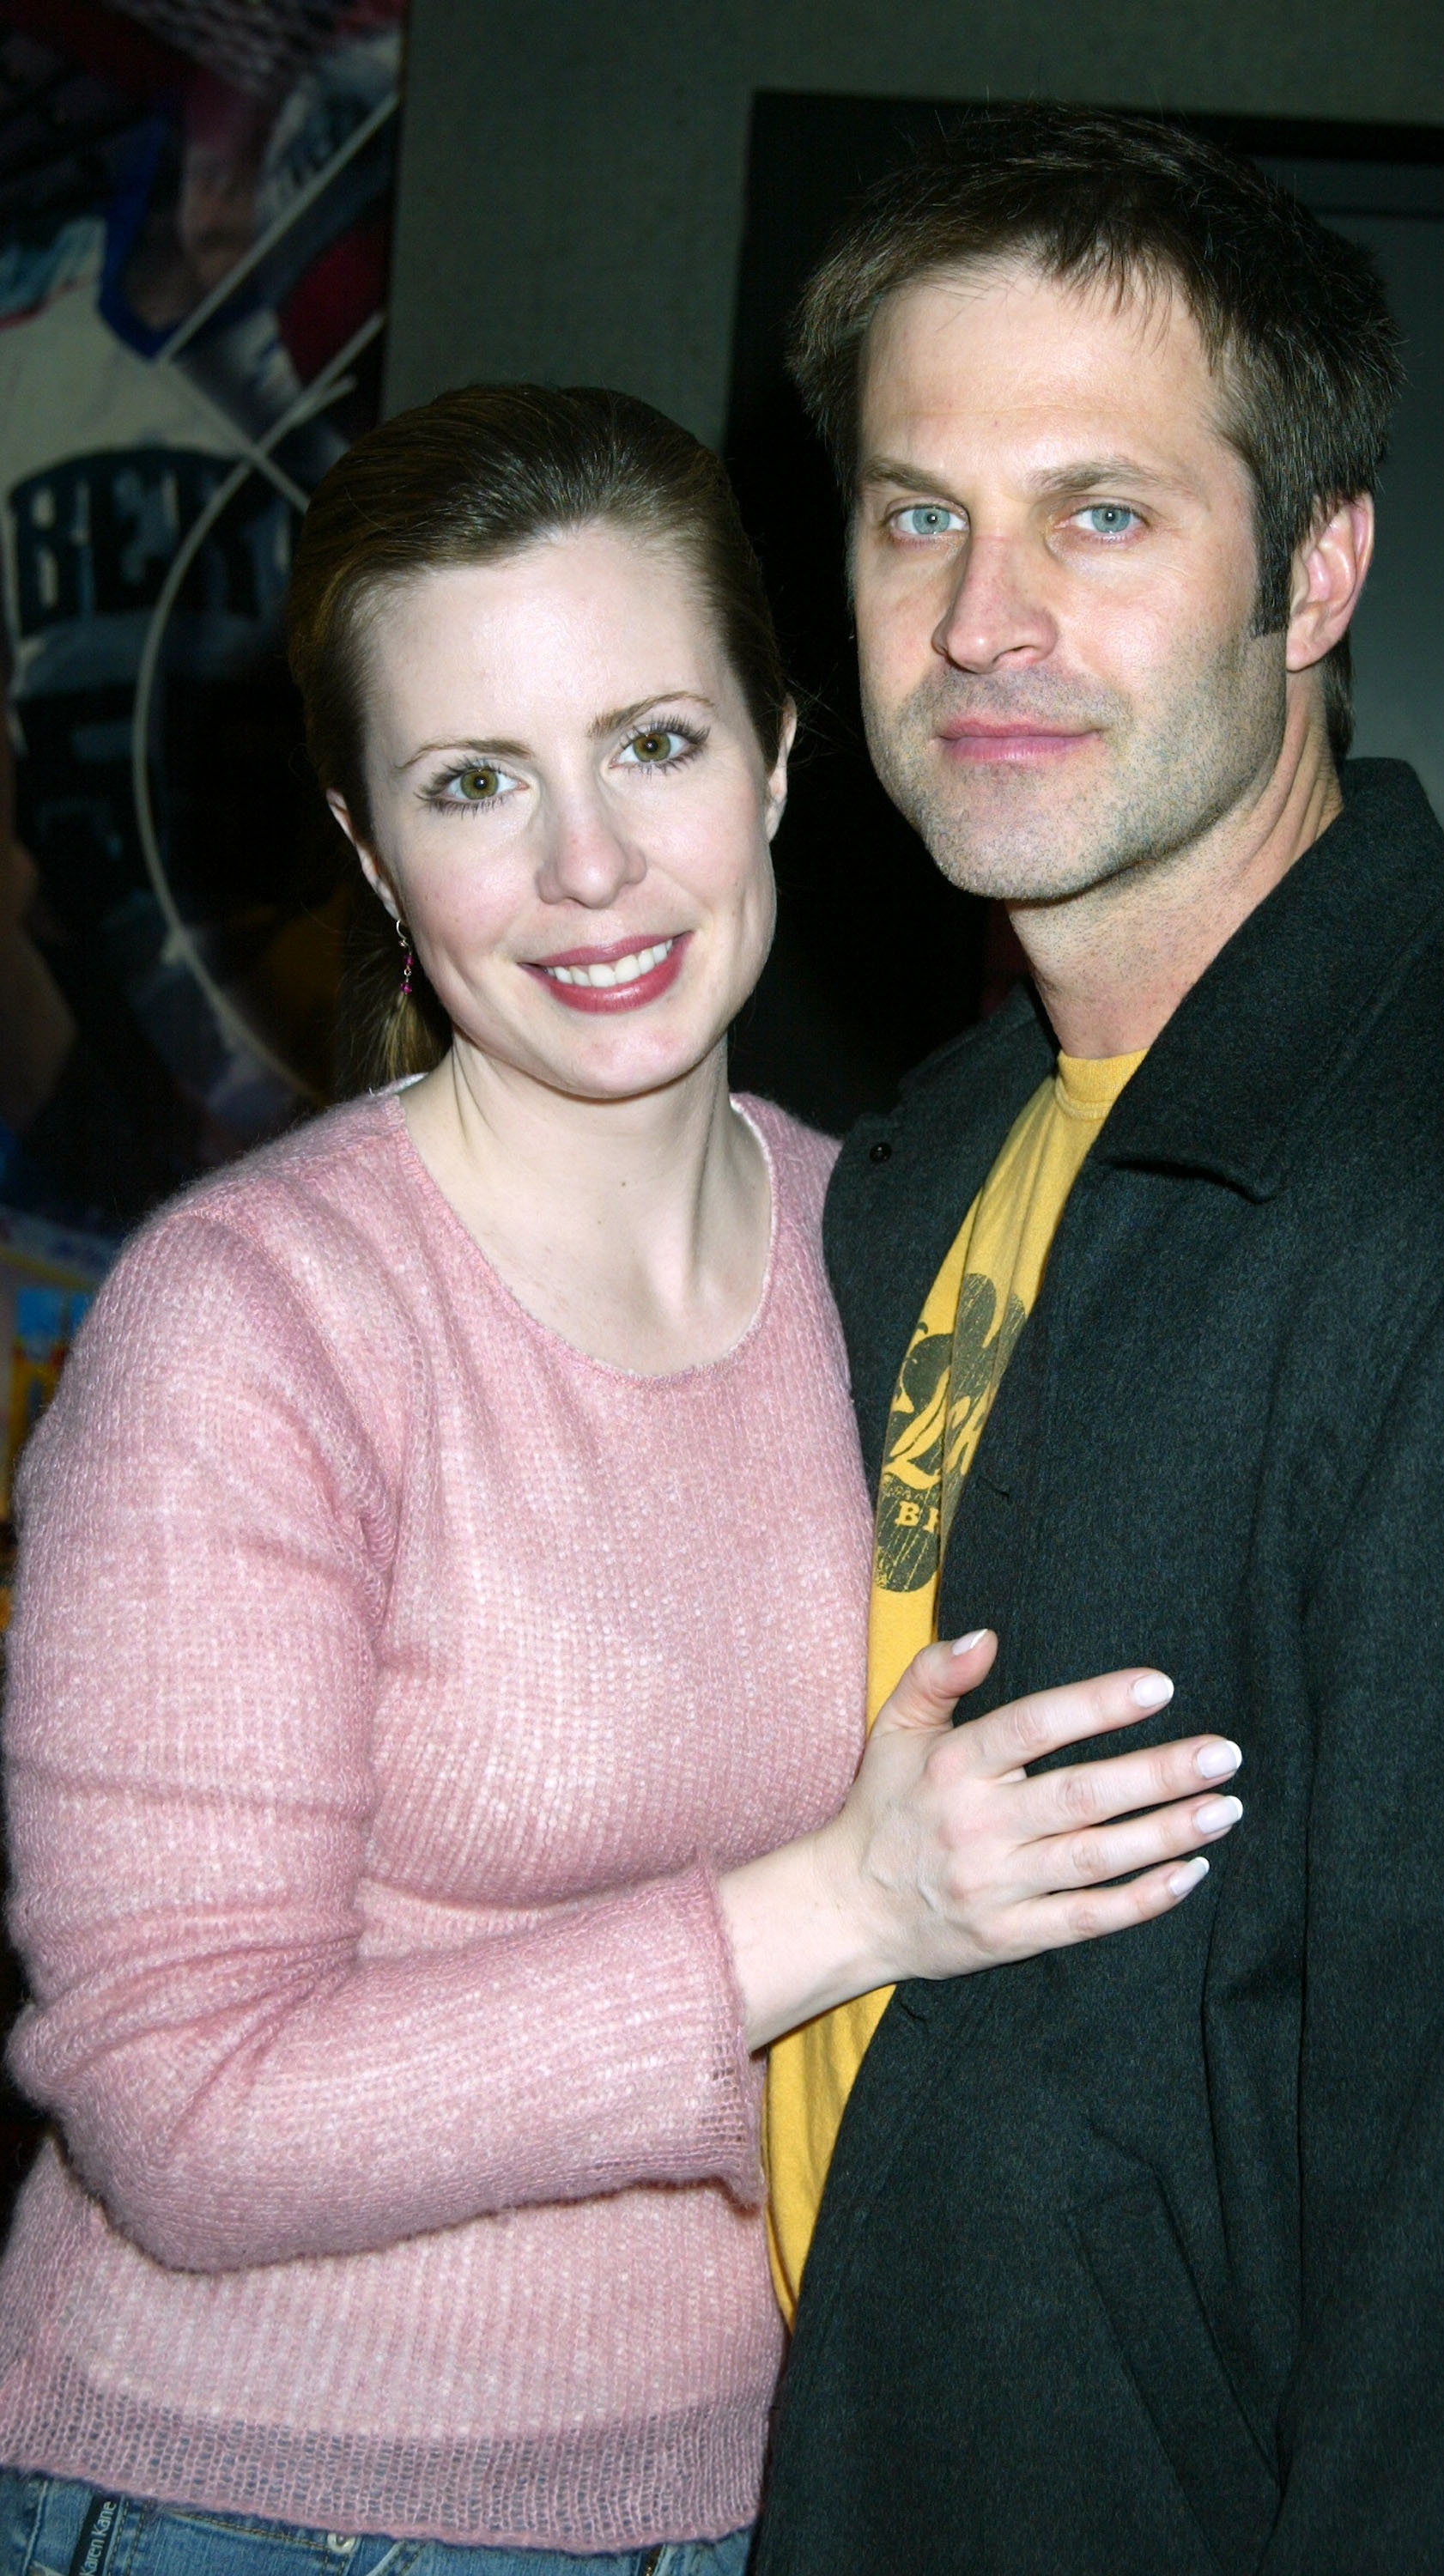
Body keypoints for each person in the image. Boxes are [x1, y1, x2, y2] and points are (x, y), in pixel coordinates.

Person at [0, 386, 1246, 2576]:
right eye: (479, 783)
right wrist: (840, 1908)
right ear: (380, 854)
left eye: (653, 745)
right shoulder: (257, 1329)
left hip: (771, 2479)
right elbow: (178, 2115)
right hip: (260, 2498)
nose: (587, 870)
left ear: (773, 755)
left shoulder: (903, 1253)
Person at [754, 110, 1444, 2574]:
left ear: (1314, 568)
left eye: (1100, 513)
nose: (979, 619)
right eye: (911, 514)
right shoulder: (920, 1157)